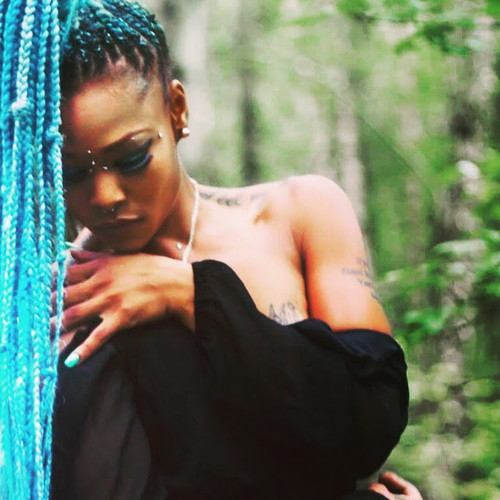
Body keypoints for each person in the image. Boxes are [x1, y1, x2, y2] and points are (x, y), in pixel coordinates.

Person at [50, 0, 416, 498]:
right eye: (73, 172)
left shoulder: (297, 215)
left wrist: (190, 294)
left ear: (176, 111)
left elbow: (372, 418)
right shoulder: (67, 303)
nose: (105, 196)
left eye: (132, 157)